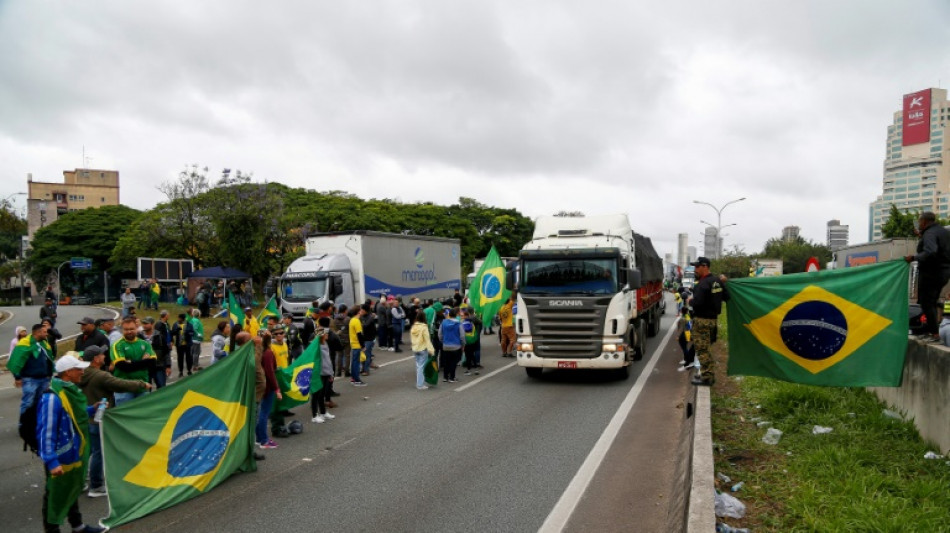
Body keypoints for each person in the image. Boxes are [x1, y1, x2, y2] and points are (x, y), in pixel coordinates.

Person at [36, 354, 107, 533]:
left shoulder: (68, 391)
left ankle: (78, 526)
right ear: (68, 372)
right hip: (59, 457)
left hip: (72, 452)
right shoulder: (52, 397)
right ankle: (52, 530)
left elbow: (72, 414)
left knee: (72, 488)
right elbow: (47, 431)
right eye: (79, 369)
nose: (82, 372)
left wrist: (92, 409)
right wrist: (52, 462)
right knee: (54, 495)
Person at [78, 345, 151, 498]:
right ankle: (96, 486)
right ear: (96, 359)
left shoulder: (81, 374)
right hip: (98, 418)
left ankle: (80, 480)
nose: (105, 356)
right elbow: (120, 384)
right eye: (102, 355)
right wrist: (141, 384)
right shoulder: (100, 376)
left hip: (86, 417)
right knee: (99, 453)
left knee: (88, 451)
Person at [905, 211, 950, 343]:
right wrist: (922, 237)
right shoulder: (942, 231)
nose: (919, 224)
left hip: (932, 272)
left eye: (920, 221)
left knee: (926, 303)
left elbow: (931, 251)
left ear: (924, 222)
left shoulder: (930, 233)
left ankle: (934, 334)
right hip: (944, 272)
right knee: (932, 301)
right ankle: (934, 333)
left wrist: (913, 257)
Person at [688, 257, 728, 386]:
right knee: (706, 349)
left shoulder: (703, 284)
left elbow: (697, 303)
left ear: (705, 266)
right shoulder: (717, 281)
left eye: (697, 267)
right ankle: (707, 374)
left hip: (701, 321)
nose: (695, 269)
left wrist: (690, 301)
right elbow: (727, 296)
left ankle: (707, 377)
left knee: (702, 350)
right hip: (712, 321)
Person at [10, 323, 54, 416]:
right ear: (38, 333)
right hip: (30, 379)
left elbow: (49, 359)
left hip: (44, 379)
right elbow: (16, 361)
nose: (47, 334)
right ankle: (25, 424)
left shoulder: (44, 344)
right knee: (28, 403)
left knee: (41, 402)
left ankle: (37, 423)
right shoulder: (25, 343)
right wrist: (17, 377)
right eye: (44, 332)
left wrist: (49, 374)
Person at [110, 317, 156, 404]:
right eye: (126, 329)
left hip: (142, 387)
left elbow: (152, 363)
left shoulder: (145, 344)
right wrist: (143, 362)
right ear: (122, 330)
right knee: (124, 416)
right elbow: (123, 366)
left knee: (143, 416)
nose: (129, 331)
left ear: (137, 328)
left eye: (132, 329)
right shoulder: (117, 345)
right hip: (124, 389)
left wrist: (131, 362)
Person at [257, 332, 281, 450]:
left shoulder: (258, 352)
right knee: (264, 413)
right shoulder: (268, 353)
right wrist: (276, 388)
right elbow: (270, 372)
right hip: (267, 386)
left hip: (258, 386)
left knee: (260, 412)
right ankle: (264, 440)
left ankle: (258, 437)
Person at [310, 317, 337, 423]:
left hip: (326, 372)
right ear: (321, 335)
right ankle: (314, 415)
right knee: (316, 395)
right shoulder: (315, 346)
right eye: (325, 334)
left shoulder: (325, 344)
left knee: (322, 394)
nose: (327, 335)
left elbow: (327, 359)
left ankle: (323, 412)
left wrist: (330, 372)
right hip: (319, 373)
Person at [142, 317, 171, 388]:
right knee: (145, 389)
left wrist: (168, 366)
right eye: (143, 323)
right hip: (144, 368)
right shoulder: (140, 336)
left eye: (146, 323)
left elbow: (166, 351)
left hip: (159, 366)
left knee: (161, 387)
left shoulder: (159, 336)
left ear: (152, 324)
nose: (144, 325)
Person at [411, 310, 435, 390]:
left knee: (418, 366)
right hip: (422, 349)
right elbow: (427, 340)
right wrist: (432, 351)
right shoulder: (424, 327)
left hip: (415, 348)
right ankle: (420, 384)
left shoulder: (414, 327)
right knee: (422, 367)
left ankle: (420, 383)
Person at [439, 307, 465, 383]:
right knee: (454, 362)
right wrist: (463, 344)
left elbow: (440, 334)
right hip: (456, 345)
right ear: (456, 315)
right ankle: (452, 377)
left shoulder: (443, 322)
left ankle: (445, 377)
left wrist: (442, 341)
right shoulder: (458, 323)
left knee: (447, 361)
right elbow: (462, 336)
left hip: (446, 345)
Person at [348, 305, 368, 386]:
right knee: (356, 363)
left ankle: (353, 378)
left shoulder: (352, 320)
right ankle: (357, 380)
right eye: (360, 310)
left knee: (354, 362)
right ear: (358, 311)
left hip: (353, 343)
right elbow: (359, 335)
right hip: (357, 344)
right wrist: (363, 346)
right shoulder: (356, 321)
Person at [461, 308, 482, 375]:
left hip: (467, 342)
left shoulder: (464, 323)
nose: (462, 316)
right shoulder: (472, 322)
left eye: (463, 315)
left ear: (466, 315)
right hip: (473, 340)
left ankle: (469, 370)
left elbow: (464, 332)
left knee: (468, 356)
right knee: (472, 355)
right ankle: (476, 369)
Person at [675, 306, 696, 372]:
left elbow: (681, 328)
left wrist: (678, 336)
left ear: (681, 311)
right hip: (688, 334)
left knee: (684, 348)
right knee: (685, 348)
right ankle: (686, 359)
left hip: (683, 335)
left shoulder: (683, 319)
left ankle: (687, 360)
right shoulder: (688, 317)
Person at [360, 305, 377, 376]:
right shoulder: (362, 317)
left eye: (362, 310)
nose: (360, 311)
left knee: (367, 354)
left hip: (369, 339)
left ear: (365, 310)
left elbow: (366, 326)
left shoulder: (370, 317)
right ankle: (364, 369)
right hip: (363, 338)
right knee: (363, 355)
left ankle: (366, 370)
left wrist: (360, 324)